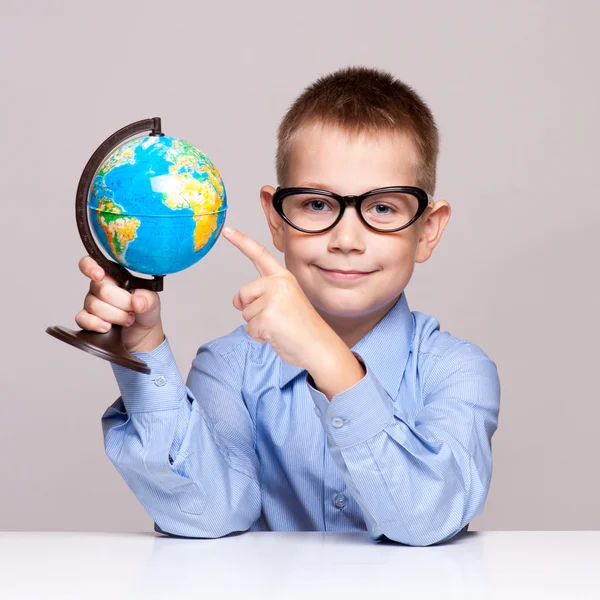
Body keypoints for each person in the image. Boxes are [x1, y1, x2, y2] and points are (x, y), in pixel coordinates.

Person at [78, 66, 501, 546]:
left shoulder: (460, 371)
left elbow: (425, 517)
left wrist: (327, 359)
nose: (346, 239)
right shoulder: (230, 367)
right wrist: (144, 345)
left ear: (427, 229)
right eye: (317, 205)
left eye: (383, 208)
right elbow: (207, 513)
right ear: (276, 219)